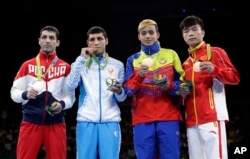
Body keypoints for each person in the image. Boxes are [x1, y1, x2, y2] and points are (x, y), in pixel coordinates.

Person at [179, 15, 240, 159]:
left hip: (212, 117)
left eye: (194, 29)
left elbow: (234, 78)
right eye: (186, 31)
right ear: (183, 36)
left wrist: (214, 70)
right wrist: (182, 93)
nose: (191, 33)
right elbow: (183, 97)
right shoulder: (185, 64)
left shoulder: (215, 52)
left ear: (203, 33)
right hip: (192, 122)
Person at [10, 25, 75, 159]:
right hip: (30, 123)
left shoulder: (65, 67)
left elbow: (71, 97)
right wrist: (25, 94)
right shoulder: (27, 65)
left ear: (57, 42)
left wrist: (61, 104)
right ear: (39, 40)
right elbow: (14, 93)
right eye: (44, 37)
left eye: (51, 38)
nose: (47, 40)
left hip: (56, 124)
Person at [124, 19, 185, 159]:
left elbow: (182, 84)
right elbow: (127, 90)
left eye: (151, 32)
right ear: (139, 36)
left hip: (168, 116)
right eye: (143, 33)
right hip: (142, 118)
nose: (147, 36)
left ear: (158, 34)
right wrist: (139, 76)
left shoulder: (171, 54)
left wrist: (169, 86)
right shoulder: (132, 60)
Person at [65, 26, 127, 159]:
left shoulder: (117, 65)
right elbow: (69, 86)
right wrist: (81, 58)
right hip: (86, 120)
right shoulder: (80, 63)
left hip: (110, 121)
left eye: (100, 38)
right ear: (88, 43)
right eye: (92, 39)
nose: (96, 42)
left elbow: (122, 98)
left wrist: (120, 91)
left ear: (106, 41)